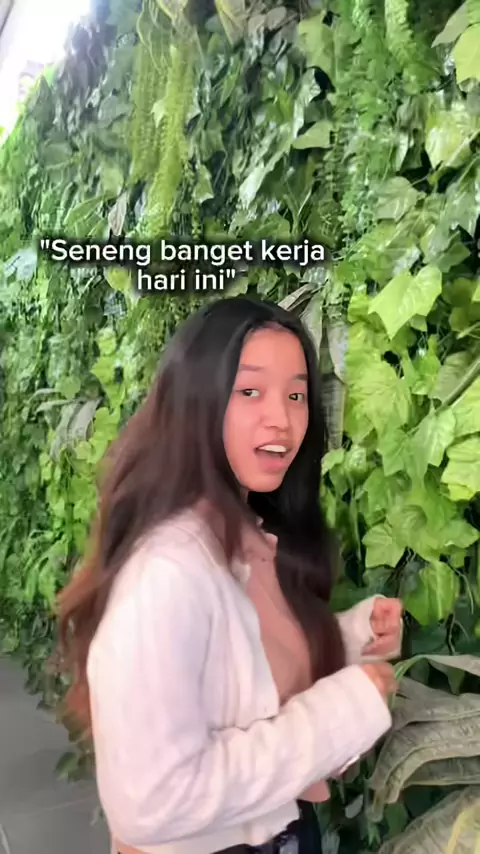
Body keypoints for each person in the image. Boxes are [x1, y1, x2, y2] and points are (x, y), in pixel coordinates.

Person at [55, 296, 403, 854]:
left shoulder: (239, 537)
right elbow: (152, 802)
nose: (281, 418)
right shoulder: (167, 571)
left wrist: (350, 638)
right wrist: (345, 710)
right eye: (251, 391)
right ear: (196, 402)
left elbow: (239, 679)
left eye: (296, 395)